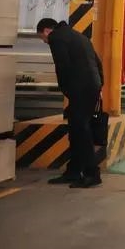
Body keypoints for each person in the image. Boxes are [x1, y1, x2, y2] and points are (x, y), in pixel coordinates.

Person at [36, 18, 105, 188]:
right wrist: (99, 85)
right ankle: (73, 171)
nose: (45, 42)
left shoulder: (56, 38)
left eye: (42, 38)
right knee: (75, 130)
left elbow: (62, 67)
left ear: (47, 31)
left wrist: (66, 90)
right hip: (92, 86)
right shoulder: (79, 36)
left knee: (81, 131)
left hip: (80, 89)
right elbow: (98, 62)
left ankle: (92, 174)